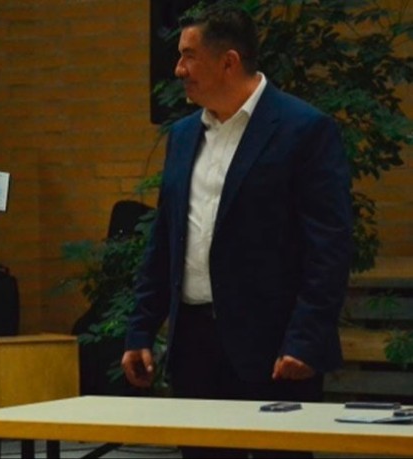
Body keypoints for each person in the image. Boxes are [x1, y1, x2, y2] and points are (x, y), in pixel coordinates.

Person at [121, 4, 352, 458]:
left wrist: (306, 339)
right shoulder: (182, 135)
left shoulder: (305, 130)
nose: (178, 69)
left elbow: (329, 248)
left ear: (228, 62)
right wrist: (141, 329)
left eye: (188, 56)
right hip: (194, 346)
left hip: (276, 348)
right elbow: (164, 242)